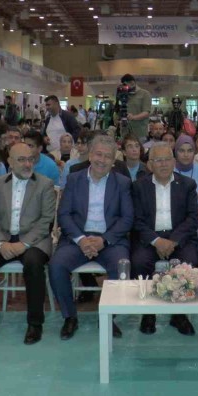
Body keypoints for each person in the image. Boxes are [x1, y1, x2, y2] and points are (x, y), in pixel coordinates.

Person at [48, 135, 133, 340]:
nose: (102, 160)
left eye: (107, 156)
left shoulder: (122, 182)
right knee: (56, 266)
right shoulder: (74, 178)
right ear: (90, 154)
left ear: (114, 160)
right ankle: (70, 317)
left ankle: (109, 318)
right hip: (77, 238)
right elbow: (64, 214)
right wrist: (81, 239)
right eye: (98, 154)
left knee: (122, 266)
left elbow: (127, 218)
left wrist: (104, 240)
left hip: (110, 240)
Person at [0, 143, 57, 344]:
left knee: (33, 264)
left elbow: (46, 221)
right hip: (3, 238)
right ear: (9, 162)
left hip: (35, 241)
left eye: (30, 159)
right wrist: (1, 243)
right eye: (21, 160)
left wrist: (24, 244)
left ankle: (35, 323)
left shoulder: (45, 184)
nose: (27, 164)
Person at [131, 142, 198, 335]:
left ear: (174, 162)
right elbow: (136, 220)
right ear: (149, 164)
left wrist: (173, 241)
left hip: (178, 237)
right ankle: (148, 313)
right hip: (150, 238)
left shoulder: (187, 185)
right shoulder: (138, 186)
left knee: (189, 261)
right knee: (139, 262)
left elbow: (192, 218)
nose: (163, 164)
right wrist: (157, 241)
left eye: (167, 159)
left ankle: (179, 314)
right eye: (158, 160)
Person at [174, 135, 198, 280]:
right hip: (174, 219)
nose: (186, 154)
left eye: (190, 150)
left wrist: (195, 218)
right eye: (181, 150)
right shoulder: (168, 170)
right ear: (175, 152)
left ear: (195, 152)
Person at [119, 74, 152, 140]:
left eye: (125, 85)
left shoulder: (145, 94)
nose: (124, 87)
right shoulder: (124, 94)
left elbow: (146, 112)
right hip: (125, 132)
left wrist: (133, 117)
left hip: (139, 132)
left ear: (132, 83)